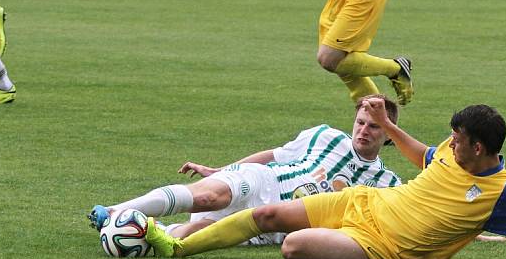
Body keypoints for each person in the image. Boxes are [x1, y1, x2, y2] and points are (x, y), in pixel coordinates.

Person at [144, 99, 506, 259]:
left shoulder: (502, 194)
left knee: (293, 247)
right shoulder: (449, 154)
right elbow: (421, 155)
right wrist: (389, 124)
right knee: (267, 215)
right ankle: (178, 248)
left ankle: (177, 241)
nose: (449, 144)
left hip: (377, 243)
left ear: (479, 147)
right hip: (364, 200)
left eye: (457, 139)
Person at [89, 95, 404, 245]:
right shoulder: (326, 135)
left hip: (273, 226)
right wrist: (222, 169)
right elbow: (272, 155)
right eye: (360, 122)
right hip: (263, 182)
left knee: (194, 235)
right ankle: (114, 210)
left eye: (374, 127)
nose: (363, 130)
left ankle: (135, 232)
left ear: (389, 134)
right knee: (210, 196)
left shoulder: (388, 184)